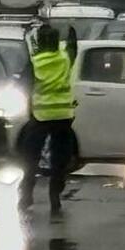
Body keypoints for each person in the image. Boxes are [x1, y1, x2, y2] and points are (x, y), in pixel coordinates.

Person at [20, 23, 78, 213]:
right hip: (63, 116)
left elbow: (24, 85)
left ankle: (27, 193)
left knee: (31, 156)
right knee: (60, 159)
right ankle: (55, 196)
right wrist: (72, 35)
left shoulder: (35, 62)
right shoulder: (65, 59)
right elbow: (72, 49)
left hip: (41, 116)